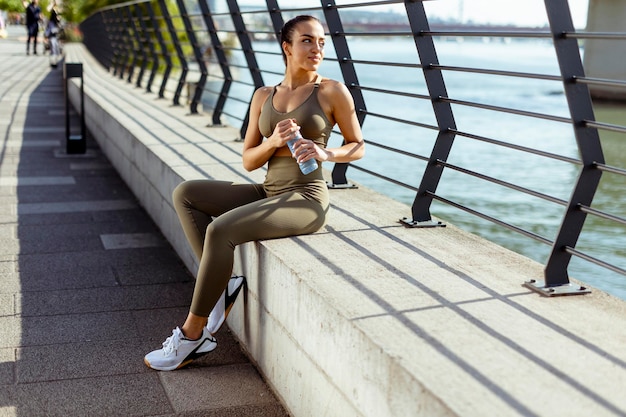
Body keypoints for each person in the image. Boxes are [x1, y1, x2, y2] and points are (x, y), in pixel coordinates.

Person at [144, 15, 365, 371]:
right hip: (268, 189)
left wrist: (326, 153)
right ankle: (222, 281)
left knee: (220, 230)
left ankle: (192, 335)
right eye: (308, 40)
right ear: (287, 47)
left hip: (305, 198)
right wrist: (274, 141)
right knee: (186, 193)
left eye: (322, 42)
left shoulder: (331, 91)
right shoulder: (264, 95)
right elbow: (248, 159)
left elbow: (357, 145)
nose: (317, 48)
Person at [45, 3, 61, 67]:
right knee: (53, 48)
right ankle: (53, 62)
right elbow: (49, 31)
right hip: (52, 36)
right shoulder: (51, 22)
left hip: (55, 37)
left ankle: (55, 61)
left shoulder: (56, 23)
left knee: (56, 48)